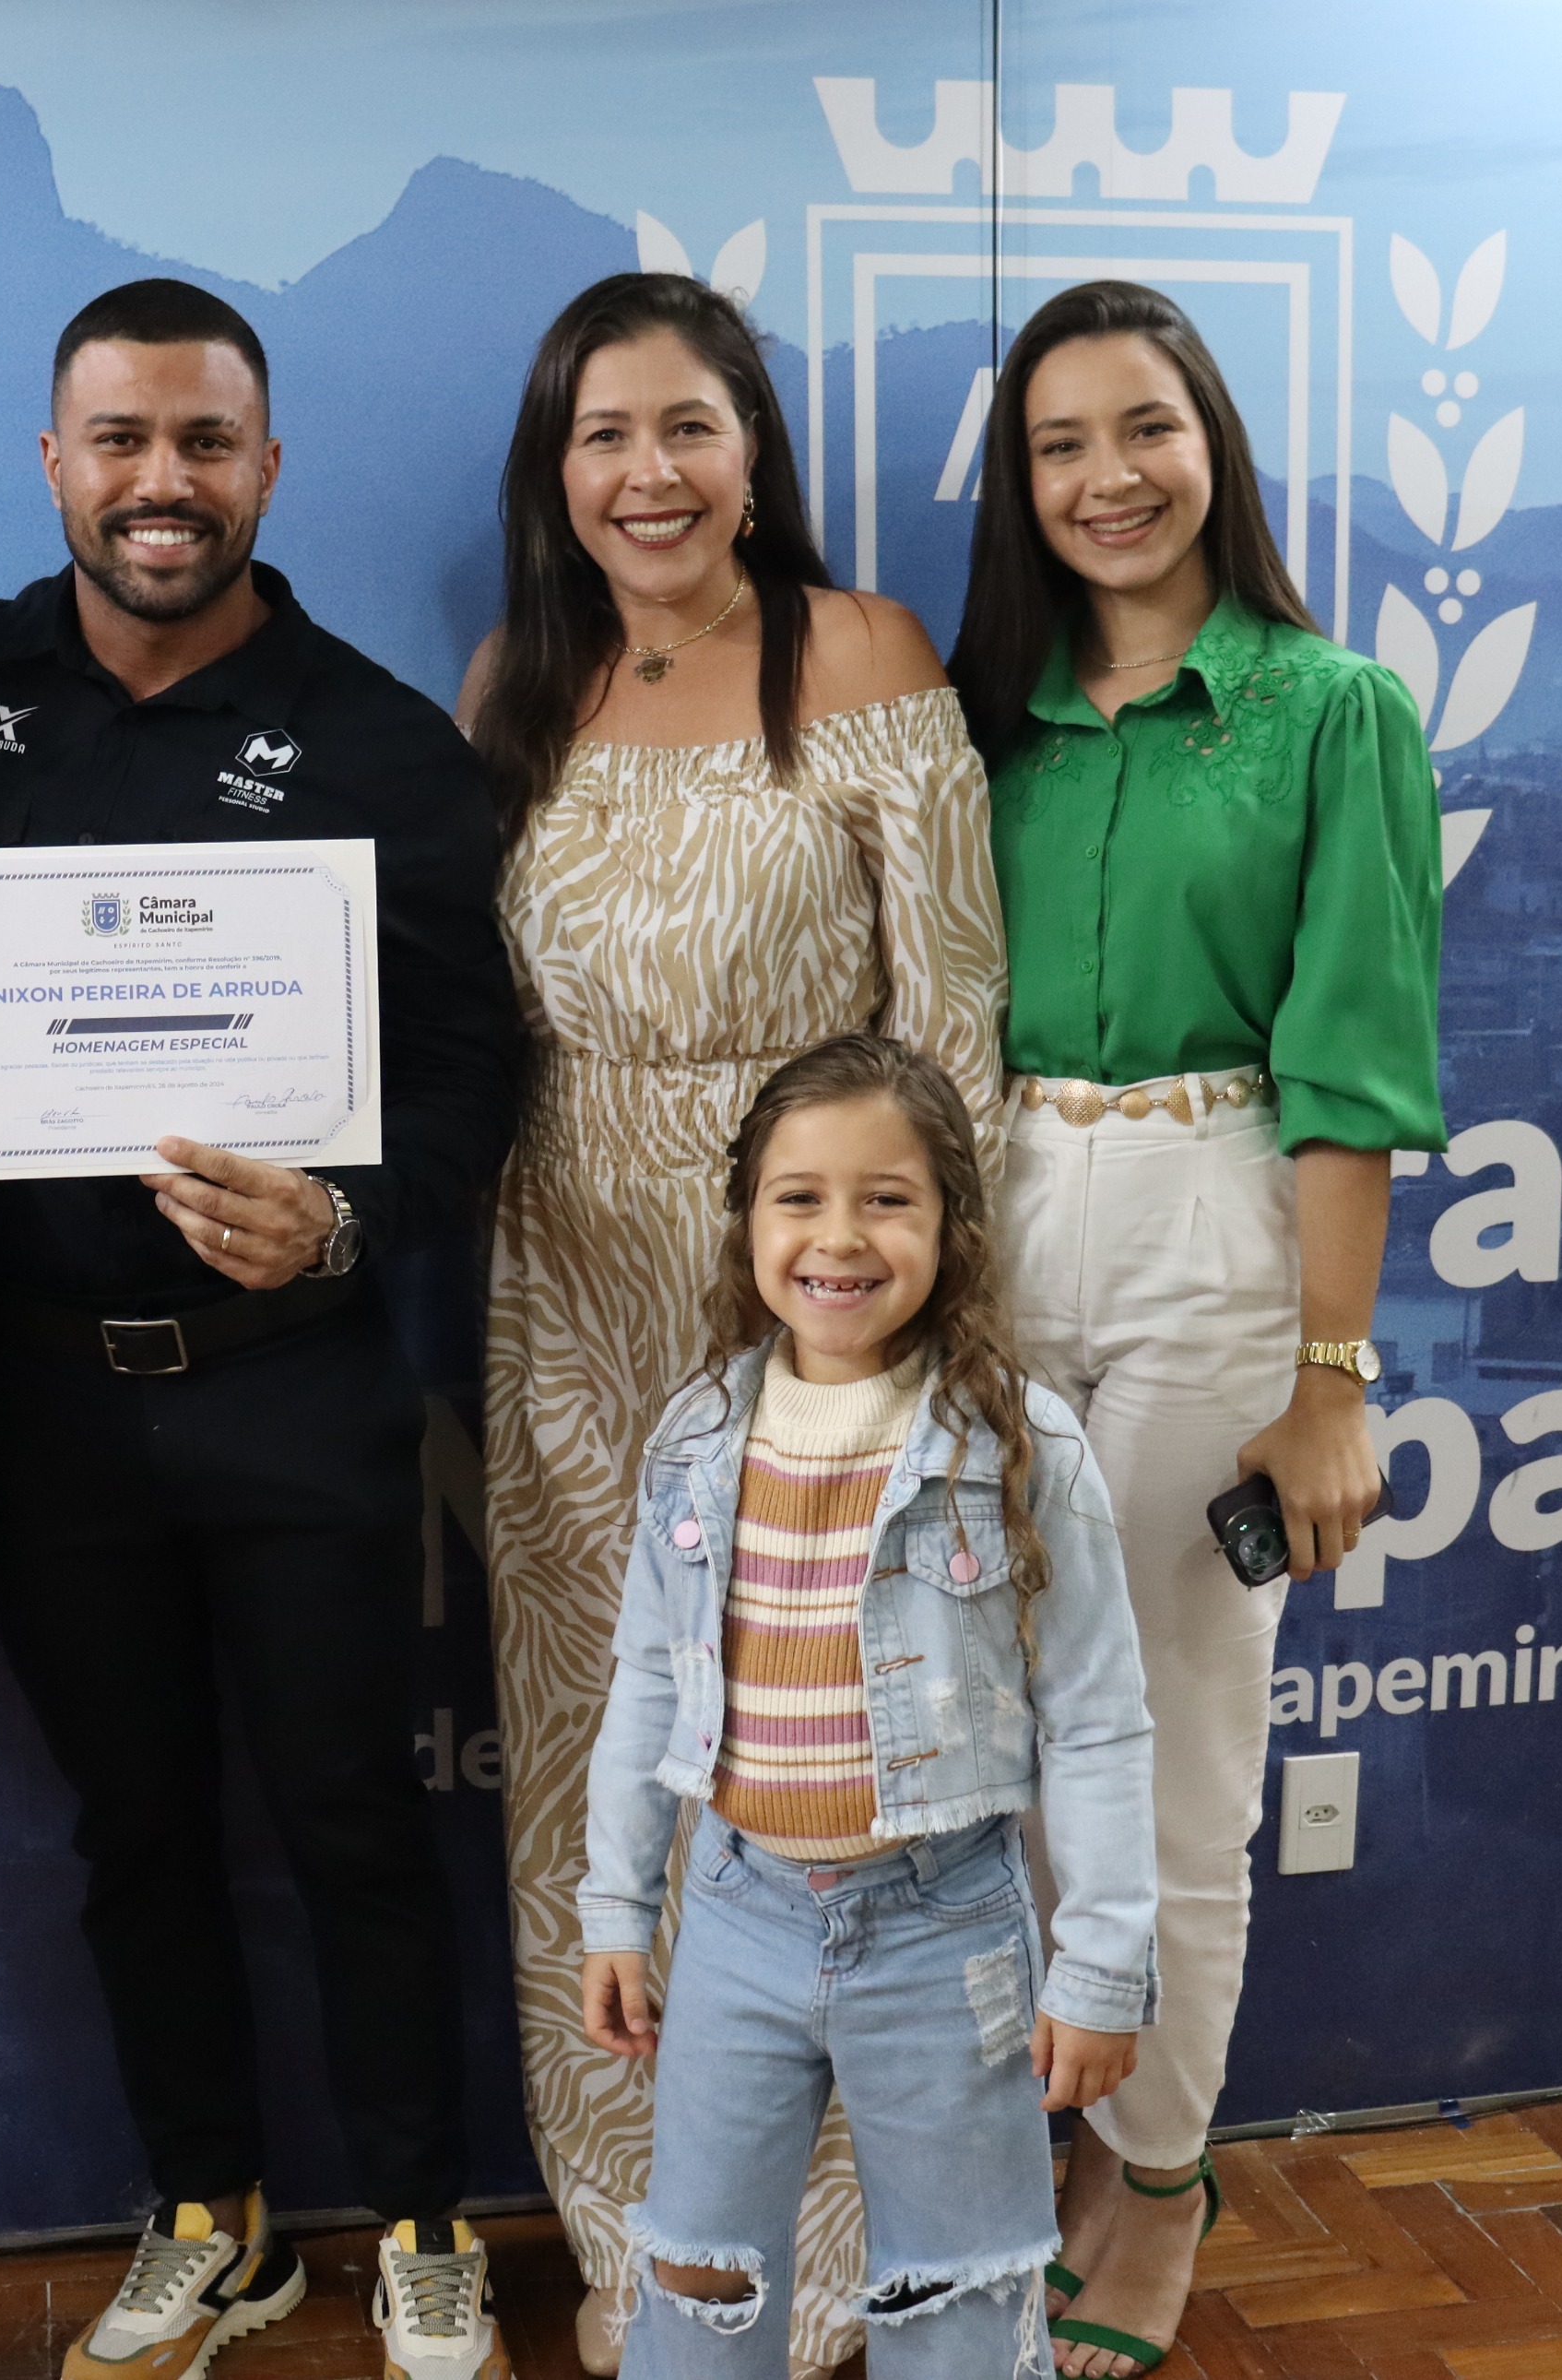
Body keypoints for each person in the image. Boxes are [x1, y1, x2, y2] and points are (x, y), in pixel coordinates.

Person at [0, 278, 521, 2380]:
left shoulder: (381, 743)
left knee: (353, 1821)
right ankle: (212, 2211)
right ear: (55, 462)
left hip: (299, 1388)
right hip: (35, 1398)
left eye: (204, 441)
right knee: (133, 1831)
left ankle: (422, 2218)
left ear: (267, 466)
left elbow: (471, 1071)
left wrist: (344, 1217)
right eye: (120, 439)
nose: (162, 482)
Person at [457, 272, 1007, 2380]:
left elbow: (952, 1011)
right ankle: (655, 2237)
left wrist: (916, 1316)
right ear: (555, 473)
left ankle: (844, 2241)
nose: (648, 473)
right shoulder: (517, 681)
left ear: (752, 451)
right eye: (603, 434)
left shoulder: (859, 653)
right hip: (569, 1292)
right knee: (599, 1759)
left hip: (819, 1284)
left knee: (820, 1752)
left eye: (687, 425)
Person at [947, 280, 1447, 2376]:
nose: (1108, 479)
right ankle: (1039, 2144)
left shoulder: (1332, 710)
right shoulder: (985, 713)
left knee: (1162, 1750)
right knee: (987, 1746)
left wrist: (1331, 1379)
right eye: (1059, 445)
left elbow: (1354, 1067)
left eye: (1143, 427)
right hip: (985, 1223)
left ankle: (1154, 2181)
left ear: (1213, 441)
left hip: (1212, 1216)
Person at [574, 1032, 1155, 2380]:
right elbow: (648, 1679)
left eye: (887, 1198)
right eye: (800, 1197)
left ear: (953, 1226)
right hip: (737, 1919)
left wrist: (1100, 1965)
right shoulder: (695, 1437)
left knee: (958, 2300)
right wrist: (615, 1905)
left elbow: (1098, 1720)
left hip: (944, 1936)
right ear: (748, 1221)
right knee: (699, 2278)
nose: (840, 1236)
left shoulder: (1021, 1443)